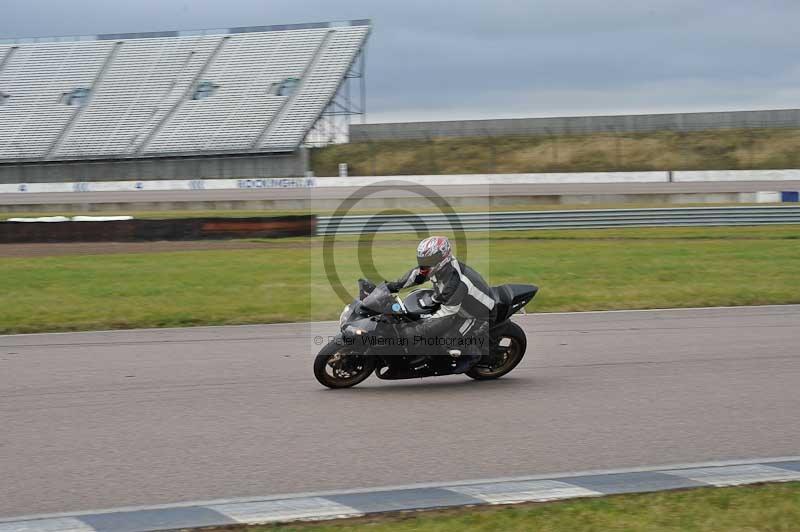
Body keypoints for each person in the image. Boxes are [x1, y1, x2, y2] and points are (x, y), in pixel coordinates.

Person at [386, 236, 496, 373]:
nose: (424, 265)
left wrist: (415, 331)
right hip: (456, 304)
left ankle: (473, 355)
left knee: (446, 340)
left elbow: (447, 314)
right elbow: (415, 276)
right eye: (422, 260)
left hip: (477, 315)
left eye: (428, 261)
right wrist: (387, 287)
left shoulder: (457, 282)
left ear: (442, 258)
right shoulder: (439, 267)